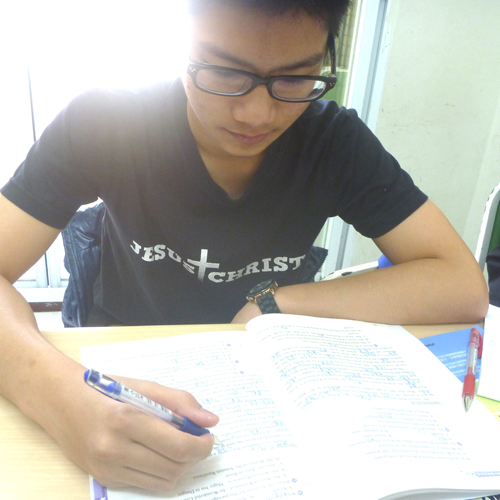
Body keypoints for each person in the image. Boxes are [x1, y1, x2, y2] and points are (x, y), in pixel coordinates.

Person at [0, 0, 488, 492]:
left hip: (265, 378)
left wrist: (275, 304)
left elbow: (460, 285)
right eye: (223, 72)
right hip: (128, 359)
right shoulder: (107, 122)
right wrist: (57, 397)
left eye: (295, 78)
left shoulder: (333, 143)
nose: (257, 114)